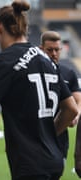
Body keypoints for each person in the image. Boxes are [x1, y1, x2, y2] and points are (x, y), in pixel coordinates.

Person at [0, 1, 79, 180]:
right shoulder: (47, 60)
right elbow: (71, 109)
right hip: (54, 160)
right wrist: (49, 135)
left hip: (29, 164)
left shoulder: (3, 61)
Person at [40, 31, 81, 160]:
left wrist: (75, 115)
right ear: (41, 49)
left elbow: (78, 100)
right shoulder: (34, 71)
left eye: (57, 50)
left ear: (61, 49)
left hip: (60, 139)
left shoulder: (68, 73)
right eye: (49, 50)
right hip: (36, 136)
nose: (54, 54)